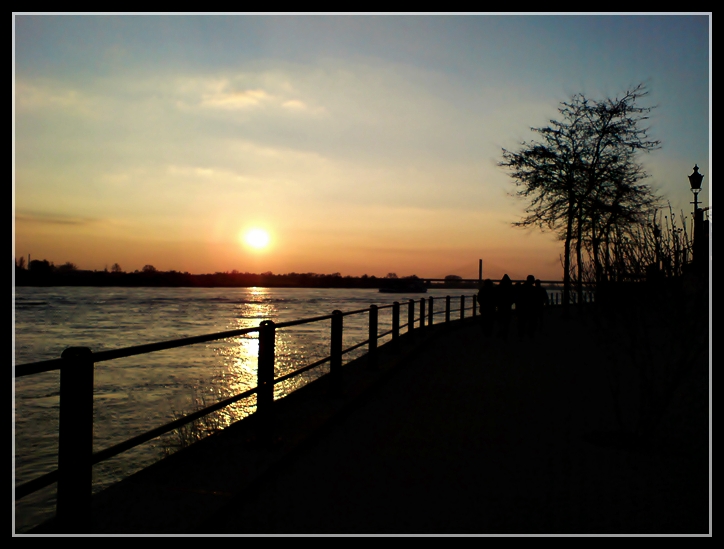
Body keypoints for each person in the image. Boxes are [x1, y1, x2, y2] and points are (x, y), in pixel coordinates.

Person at [496, 274, 514, 340]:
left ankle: (501, 330)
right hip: (508, 306)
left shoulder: (498, 288)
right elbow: (513, 297)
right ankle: (505, 332)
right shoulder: (511, 288)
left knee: (500, 319)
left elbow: (495, 297)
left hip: (500, 306)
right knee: (507, 320)